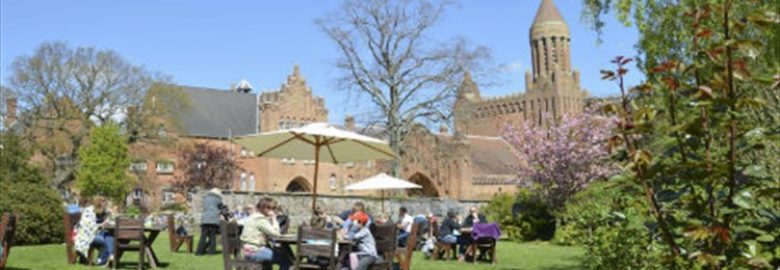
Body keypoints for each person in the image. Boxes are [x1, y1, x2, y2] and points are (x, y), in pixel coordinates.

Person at [241, 197, 292, 270]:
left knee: (282, 254)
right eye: (271, 208)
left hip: (247, 250)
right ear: (264, 208)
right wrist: (274, 218)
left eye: (274, 208)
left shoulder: (253, 217)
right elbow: (276, 234)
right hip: (255, 251)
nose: (274, 211)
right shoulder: (260, 220)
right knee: (286, 260)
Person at [73, 196, 114, 266]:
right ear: (98, 204)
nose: (105, 206)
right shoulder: (89, 211)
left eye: (105, 204)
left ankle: (110, 256)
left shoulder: (104, 212)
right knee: (103, 241)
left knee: (110, 237)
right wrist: (101, 225)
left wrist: (109, 216)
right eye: (103, 204)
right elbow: (88, 226)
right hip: (86, 234)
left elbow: (108, 221)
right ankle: (103, 260)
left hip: (99, 233)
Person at [196, 188, 223, 255]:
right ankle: (211, 252)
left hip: (205, 218)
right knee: (212, 235)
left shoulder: (205, 198)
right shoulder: (218, 198)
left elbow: (204, 207)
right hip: (214, 218)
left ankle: (199, 252)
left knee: (203, 236)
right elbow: (221, 208)